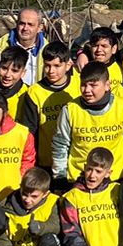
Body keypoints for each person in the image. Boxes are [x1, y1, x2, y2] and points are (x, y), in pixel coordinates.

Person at [51, 62, 123, 185]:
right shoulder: (70, 110)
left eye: (93, 85)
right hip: (80, 180)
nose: (87, 90)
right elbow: (60, 145)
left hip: (117, 179)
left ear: (107, 85)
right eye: (83, 85)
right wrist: (60, 178)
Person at [60, 147, 122, 246]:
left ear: (108, 173)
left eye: (98, 171)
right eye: (89, 169)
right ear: (84, 167)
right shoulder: (71, 197)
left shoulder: (118, 191)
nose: (92, 175)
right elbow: (71, 235)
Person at [26, 43, 79, 179]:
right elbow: (30, 131)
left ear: (68, 65)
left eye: (57, 66)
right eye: (47, 65)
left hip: (77, 161)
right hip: (47, 163)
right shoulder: (34, 92)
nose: (51, 71)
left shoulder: (79, 85)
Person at [6, 7, 49, 86]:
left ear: (40, 28)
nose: (25, 28)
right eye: (22, 23)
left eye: (30, 24)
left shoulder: (48, 51)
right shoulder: (1, 46)